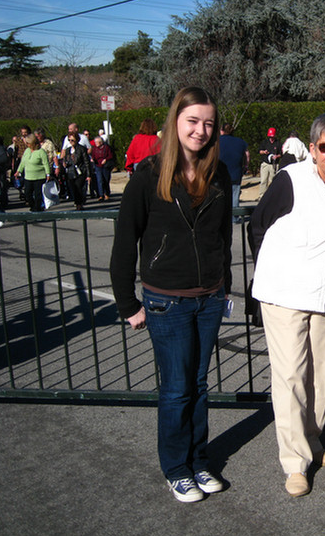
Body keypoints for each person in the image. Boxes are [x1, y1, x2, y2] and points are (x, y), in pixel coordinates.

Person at [110, 87, 232, 504]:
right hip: (167, 301)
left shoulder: (220, 174)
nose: (201, 130)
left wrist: (224, 285)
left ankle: (199, 460)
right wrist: (128, 304)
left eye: (208, 123)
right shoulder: (147, 177)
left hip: (209, 298)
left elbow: (223, 237)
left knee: (199, 385)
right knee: (177, 388)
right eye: (193, 121)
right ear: (175, 122)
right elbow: (125, 243)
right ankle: (176, 468)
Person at [249, 113, 325, 497]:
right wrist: (275, 269)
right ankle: (294, 462)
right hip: (285, 294)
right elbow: (258, 226)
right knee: (290, 377)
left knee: (321, 376)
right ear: (313, 148)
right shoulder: (291, 179)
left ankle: (314, 443)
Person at [218, 123, 249, 223]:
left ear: (221, 130)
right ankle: (234, 218)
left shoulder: (217, 141)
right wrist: (245, 166)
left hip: (220, 173)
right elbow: (247, 155)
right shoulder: (240, 142)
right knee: (235, 195)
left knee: (220, 195)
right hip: (236, 172)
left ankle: (221, 217)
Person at [15, 134, 52, 212]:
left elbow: (46, 163)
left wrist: (48, 174)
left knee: (38, 195)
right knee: (27, 194)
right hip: (28, 176)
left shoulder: (41, 152)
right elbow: (23, 162)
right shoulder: (27, 151)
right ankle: (33, 206)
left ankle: (37, 209)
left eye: (28, 143)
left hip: (39, 177)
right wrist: (18, 171)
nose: (27, 145)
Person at [63, 134, 91, 210]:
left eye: (72, 140)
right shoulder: (68, 150)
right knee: (73, 188)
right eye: (69, 140)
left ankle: (79, 203)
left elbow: (86, 162)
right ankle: (77, 202)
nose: (71, 142)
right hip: (71, 172)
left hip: (80, 172)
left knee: (78, 186)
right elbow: (66, 159)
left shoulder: (81, 149)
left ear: (77, 140)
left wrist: (88, 175)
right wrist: (65, 162)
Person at [258, 127, 281, 200]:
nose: (271, 138)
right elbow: (259, 151)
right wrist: (264, 152)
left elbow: (281, 153)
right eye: (270, 136)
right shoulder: (265, 142)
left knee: (272, 181)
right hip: (266, 163)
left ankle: (271, 196)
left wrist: (277, 156)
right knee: (263, 180)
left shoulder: (278, 143)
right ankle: (262, 196)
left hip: (274, 164)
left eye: (272, 136)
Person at [90, 135, 114, 201]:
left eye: (97, 142)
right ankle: (101, 195)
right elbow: (93, 155)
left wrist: (106, 159)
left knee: (106, 180)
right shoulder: (94, 148)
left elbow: (110, 155)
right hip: (98, 165)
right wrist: (93, 159)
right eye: (95, 142)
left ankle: (107, 193)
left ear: (101, 142)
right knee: (99, 180)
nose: (96, 143)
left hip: (105, 166)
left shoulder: (106, 148)